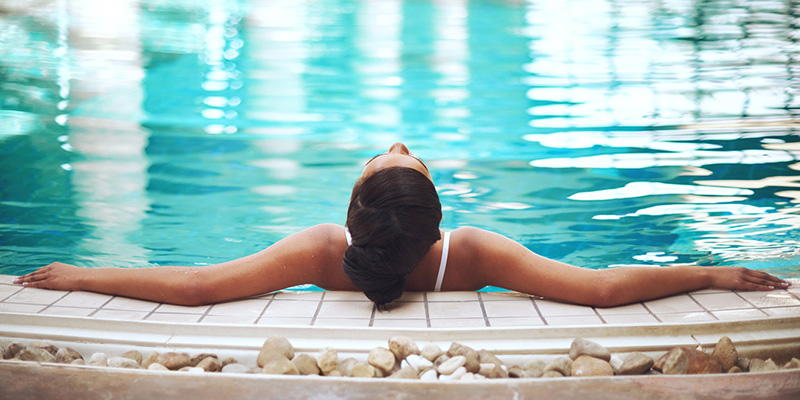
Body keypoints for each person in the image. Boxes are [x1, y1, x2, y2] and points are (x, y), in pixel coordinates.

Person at [13, 143, 790, 308]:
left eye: (395, 157)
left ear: (352, 211)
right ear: (436, 219)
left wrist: (82, 275)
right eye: (405, 158)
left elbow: (197, 286)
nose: (398, 146)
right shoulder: (471, 254)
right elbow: (600, 288)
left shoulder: (324, 250)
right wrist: (711, 273)